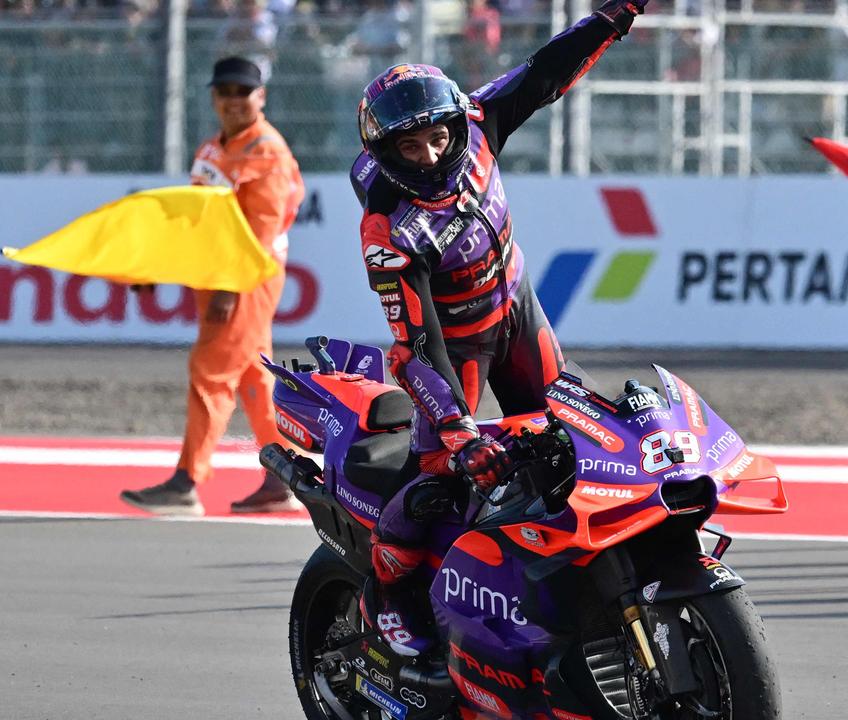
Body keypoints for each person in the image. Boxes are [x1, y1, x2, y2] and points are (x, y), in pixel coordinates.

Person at [349, 0, 650, 664]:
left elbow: (544, 73)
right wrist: (457, 428)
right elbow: (412, 347)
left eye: (436, 137)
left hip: (517, 309)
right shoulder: (387, 229)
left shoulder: (478, 123)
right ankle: (384, 599)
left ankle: (571, 584)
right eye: (409, 145)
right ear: (386, 150)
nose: (430, 155)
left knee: (577, 442)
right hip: (453, 347)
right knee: (442, 479)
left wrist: (615, 15)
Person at [121, 57, 305, 516]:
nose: (233, 100)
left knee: (210, 373)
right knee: (254, 380)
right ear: (213, 97)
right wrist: (155, 265)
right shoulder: (210, 149)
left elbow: (260, 232)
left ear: (260, 97)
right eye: (225, 91)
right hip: (220, 274)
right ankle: (284, 477)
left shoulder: (267, 152)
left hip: (244, 278)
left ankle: (187, 482)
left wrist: (230, 286)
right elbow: (196, 222)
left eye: (243, 92)